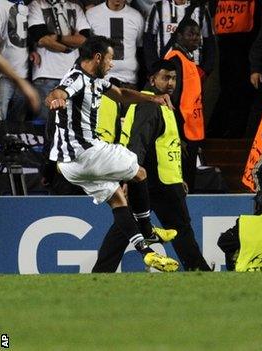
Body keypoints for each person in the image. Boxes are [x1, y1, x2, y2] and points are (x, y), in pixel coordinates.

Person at [45, 36, 179, 272]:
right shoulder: (76, 78)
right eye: (109, 59)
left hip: (70, 167)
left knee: (118, 199)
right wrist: (56, 101)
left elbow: (122, 94)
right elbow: (59, 92)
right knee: (139, 171)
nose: (112, 64)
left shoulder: (97, 81)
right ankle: (147, 230)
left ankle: (147, 254)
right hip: (85, 153)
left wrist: (153, 98)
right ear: (97, 58)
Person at [92, 60, 212, 272]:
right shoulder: (150, 104)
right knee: (181, 229)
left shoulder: (159, 104)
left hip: (159, 180)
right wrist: (131, 176)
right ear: (152, 79)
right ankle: (199, 270)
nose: (171, 83)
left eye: (174, 78)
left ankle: (101, 272)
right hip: (157, 183)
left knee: (124, 229)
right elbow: (138, 142)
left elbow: (168, 145)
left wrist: (179, 176)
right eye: (165, 77)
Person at [28, 0, 91, 124]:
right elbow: (42, 39)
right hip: (45, 75)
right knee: (45, 125)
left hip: (72, 77)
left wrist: (57, 38)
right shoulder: (36, 5)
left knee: (73, 124)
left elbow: (84, 39)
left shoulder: (75, 7)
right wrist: (68, 48)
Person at [164, 18, 205, 193]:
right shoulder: (175, 59)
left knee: (190, 180)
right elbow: (171, 98)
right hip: (181, 130)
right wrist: (177, 133)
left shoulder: (187, 59)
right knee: (182, 181)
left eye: (197, 34)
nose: (196, 38)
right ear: (179, 35)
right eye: (191, 34)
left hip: (192, 128)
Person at [0, 0, 32, 121]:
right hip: (4, 75)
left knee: (17, 124)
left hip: (23, 74)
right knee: (0, 117)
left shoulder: (26, 7)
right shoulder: (0, 4)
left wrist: (34, 51)